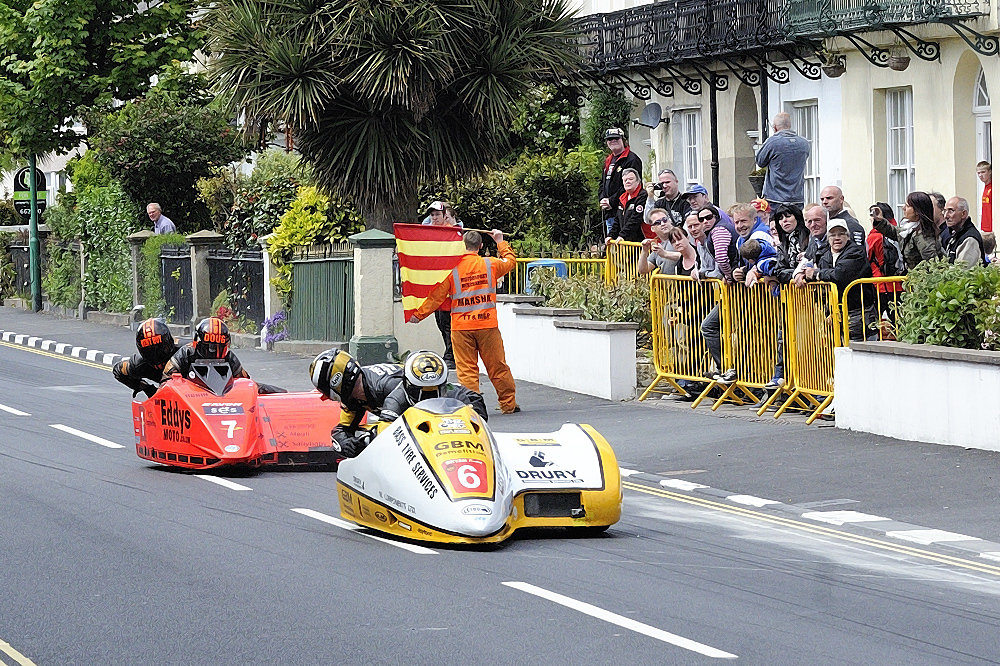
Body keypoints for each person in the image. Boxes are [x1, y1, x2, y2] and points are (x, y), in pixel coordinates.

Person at [409, 229, 519, 414]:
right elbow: (510, 262)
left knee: (467, 370)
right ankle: (508, 405)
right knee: (497, 367)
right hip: (487, 325)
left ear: (463, 246)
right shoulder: (490, 264)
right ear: (481, 246)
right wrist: (500, 241)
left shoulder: (452, 269)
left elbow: (436, 296)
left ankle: (473, 407)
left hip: (461, 327)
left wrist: (418, 314)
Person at [309, 349, 404, 458]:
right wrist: (347, 444)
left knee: (372, 435)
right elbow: (341, 430)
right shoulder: (352, 398)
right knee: (358, 436)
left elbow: (390, 427)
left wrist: (367, 438)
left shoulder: (385, 385)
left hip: (423, 413)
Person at [801, 219, 875, 341]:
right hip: (836, 314)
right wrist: (803, 275)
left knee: (860, 351)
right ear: (828, 238)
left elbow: (840, 275)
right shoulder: (824, 255)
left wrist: (816, 274)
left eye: (841, 234)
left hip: (859, 312)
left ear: (848, 236)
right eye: (833, 235)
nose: (837, 238)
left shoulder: (856, 251)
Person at [379, 351, 488, 424]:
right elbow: (386, 428)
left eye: (434, 389)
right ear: (408, 385)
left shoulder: (454, 391)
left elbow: (479, 416)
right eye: (423, 391)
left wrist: (474, 414)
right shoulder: (395, 399)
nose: (428, 397)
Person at [698, 205, 740, 384]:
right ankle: (726, 368)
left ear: (716, 217)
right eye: (702, 219)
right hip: (734, 287)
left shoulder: (719, 230)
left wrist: (729, 276)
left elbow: (722, 258)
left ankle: (726, 368)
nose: (705, 222)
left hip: (737, 288)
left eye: (708, 217)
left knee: (708, 326)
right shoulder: (715, 231)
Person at [755, 113, 811, 208]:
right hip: (797, 198)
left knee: (775, 222)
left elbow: (760, 161)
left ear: (775, 127)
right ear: (789, 126)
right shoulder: (804, 143)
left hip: (775, 198)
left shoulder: (772, 142)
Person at [113, 318, 179, 398]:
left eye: (161, 348)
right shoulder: (139, 364)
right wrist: (145, 388)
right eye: (149, 351)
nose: (156, 355)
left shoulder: (185, 351)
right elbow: (118, 371)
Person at [867, 202, 905, 327]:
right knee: (900, 323)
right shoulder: (901, 232)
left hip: (880, 284)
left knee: (873, 323)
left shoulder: (874, 236)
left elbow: (867, 257)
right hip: (900, 283)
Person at [599, 128, 642, 235]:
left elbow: (631, 186)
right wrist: (602, 199)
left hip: (624, 211)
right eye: (609, 139)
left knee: (622, 244)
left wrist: (611, 201)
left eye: (616, 138)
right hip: (609, 212)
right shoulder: (608, 160)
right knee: (613, 246)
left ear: (623, 139)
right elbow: (602, 183)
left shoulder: (631, 159)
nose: (613, 141)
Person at [900, 191, 943, 270]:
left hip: (922, 279)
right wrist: (879, 221)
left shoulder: (923, 235)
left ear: (917, 211)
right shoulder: (910, 228)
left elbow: (932, 264)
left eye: (907, 206)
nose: (903, 208)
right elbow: (895, 232)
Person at [606, 168, 649, 242]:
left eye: (631, 179)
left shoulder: (642, 195)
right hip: (626, 243)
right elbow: (617, 220)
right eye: (625, 180)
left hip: (641, 241)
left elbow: (636, 219)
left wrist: (622, 235)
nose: (628, 182)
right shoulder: (622, 198)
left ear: (638, 181)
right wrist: (611, 235)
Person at [943, 196, 987, 268]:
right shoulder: (955, 234)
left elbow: (963, 272)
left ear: (963, 214)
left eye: (951, 211)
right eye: (945, 211)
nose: (945, 216)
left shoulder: (970, 240)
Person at [637, 208, 679, 276]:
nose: (662, 224)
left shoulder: (680, 237)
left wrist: (665, 254)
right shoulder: (659, 246)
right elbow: (643, 270)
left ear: (670, 221)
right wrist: (644, 251)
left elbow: (690, 256)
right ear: (652, 229)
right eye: (657, 222)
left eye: (665, 220)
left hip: (685, 285)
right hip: (667, 286)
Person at [978, 161, 992, 232]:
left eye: (983, 172)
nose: (980, 175)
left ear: (989, 172)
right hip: (985, 227)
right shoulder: (985, 187)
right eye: (978, 173)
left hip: (992, 226)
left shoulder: (992, 187)